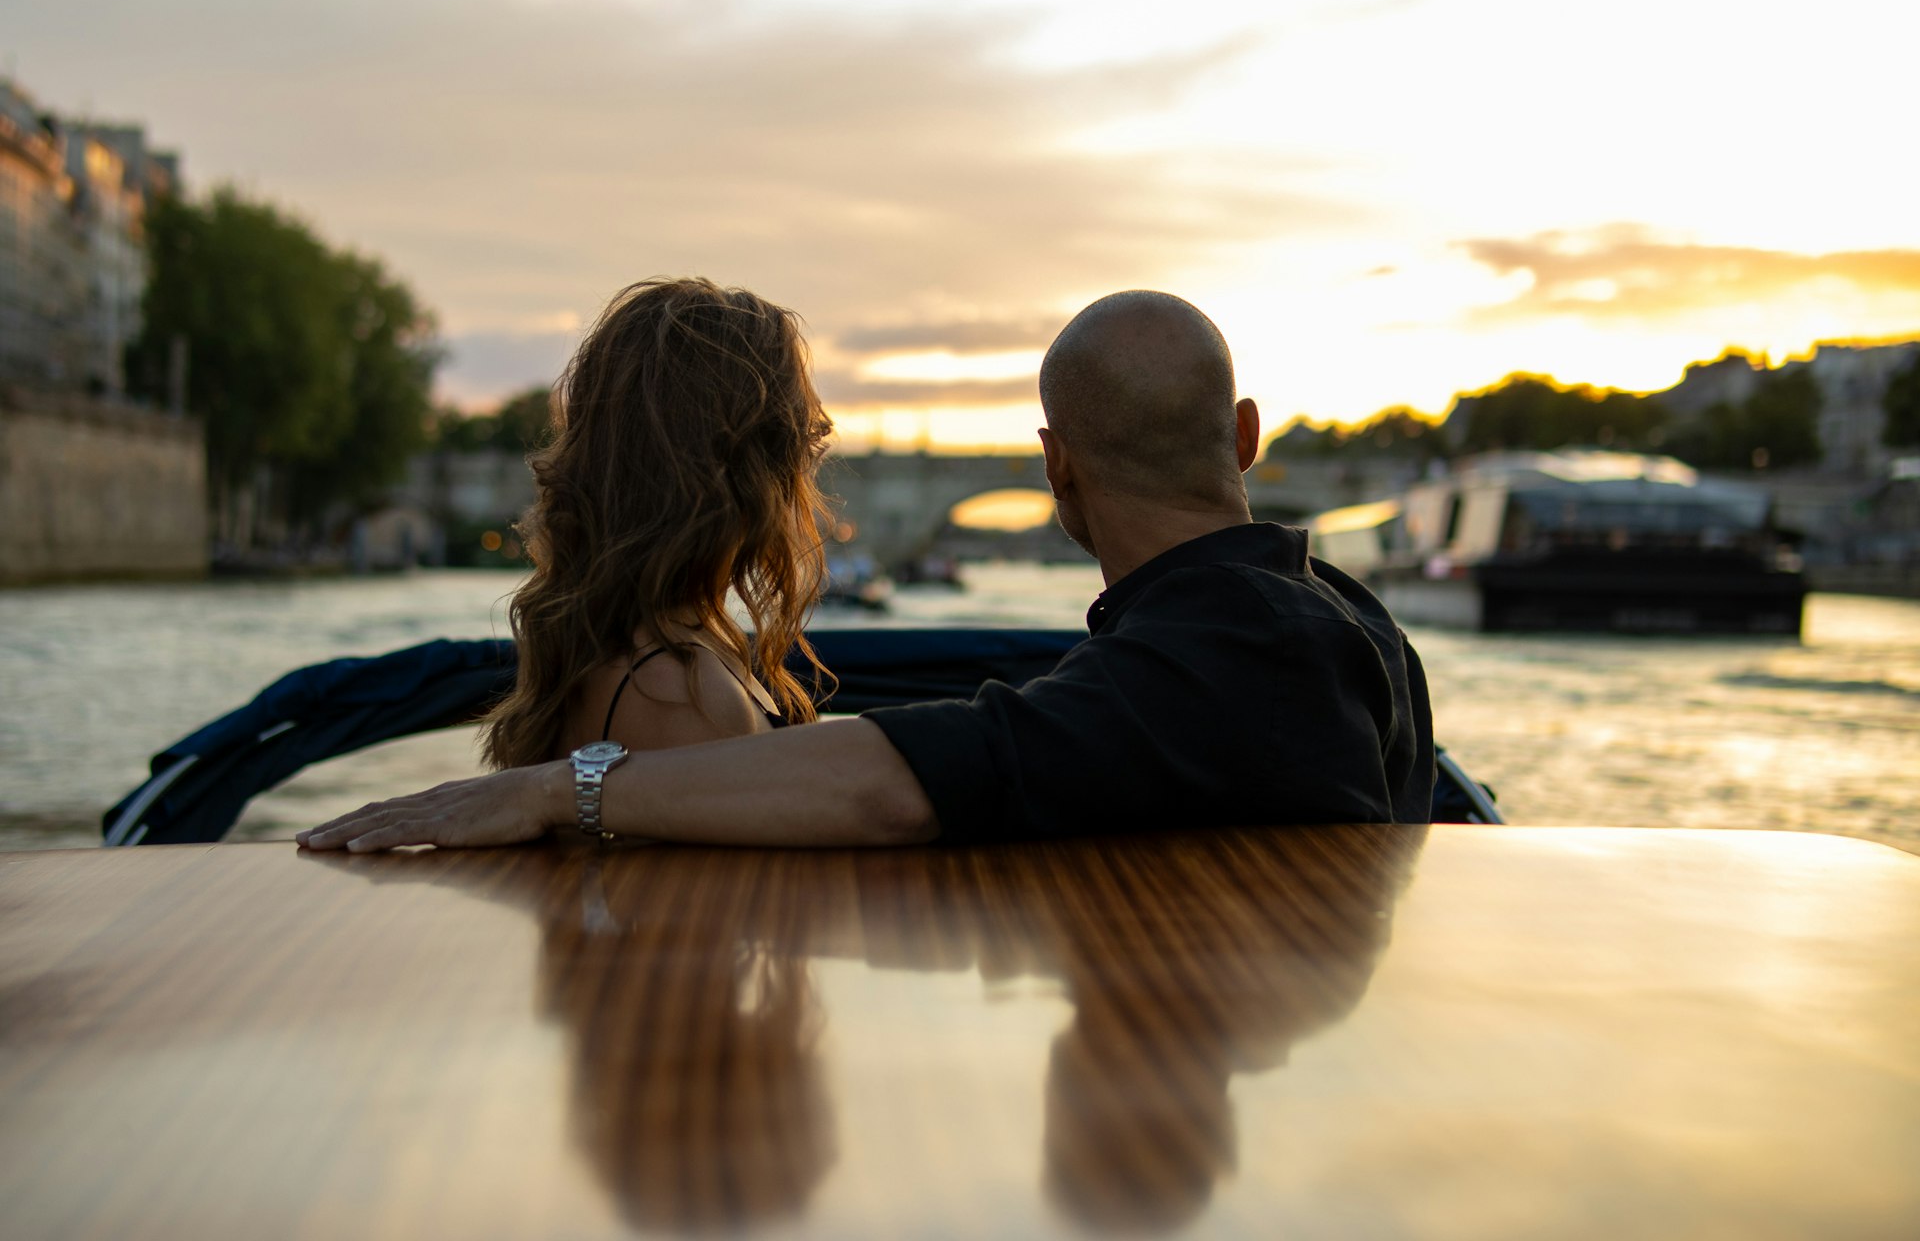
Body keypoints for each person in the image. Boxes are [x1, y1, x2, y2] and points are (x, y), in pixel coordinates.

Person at [297, 290, 1432, 853]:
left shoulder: (1204, 657)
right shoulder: (1350, 621)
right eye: (808, 439)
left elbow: (933, 771)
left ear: (1056, 468)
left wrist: (560, 785)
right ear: (1244, 435)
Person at [473, 276, 834, 775]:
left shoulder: (631, 647)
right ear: (751, 470)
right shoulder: (683, 695)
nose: (810, 463)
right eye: (805, 441)